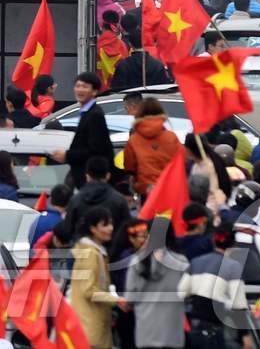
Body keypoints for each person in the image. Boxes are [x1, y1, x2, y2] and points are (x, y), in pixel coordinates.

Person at [125, 220, 191, 349]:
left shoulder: (136, 262)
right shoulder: (181, 262)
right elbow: (187, 294)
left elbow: (130, 298)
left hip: (146, 333)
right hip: (172, 333)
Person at [70, 208, 126, 348]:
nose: (110, 228)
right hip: (89, 324)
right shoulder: (90, 253)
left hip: (92, 321)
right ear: (93, 228)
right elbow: (88, 290)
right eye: (105, 225)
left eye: (111, 224)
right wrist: (116, 300)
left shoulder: (93, 251)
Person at [56, 73, 113, 184]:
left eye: (85, 87)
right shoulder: (86, 112)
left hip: (91, 180)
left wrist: (67, 155)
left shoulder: (95, 115)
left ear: (94, 91)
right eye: (78, 86)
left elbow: (96, 151)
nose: (80, 90)